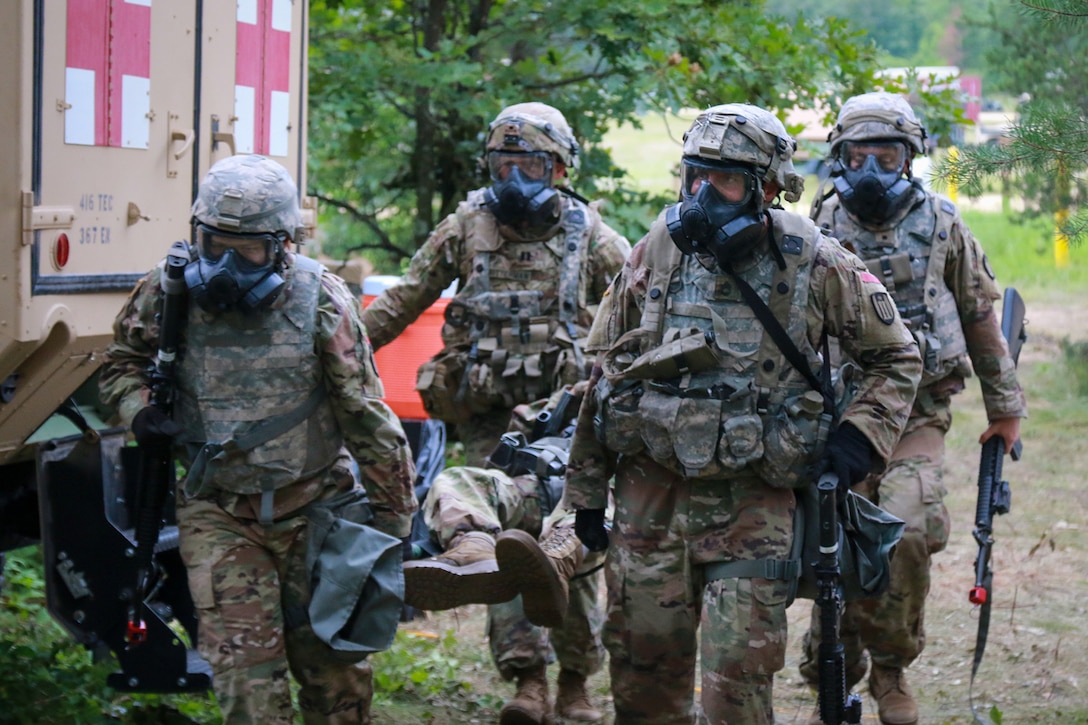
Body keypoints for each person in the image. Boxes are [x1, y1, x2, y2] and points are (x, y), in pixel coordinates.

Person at [563, 103, 923, 725]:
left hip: (754, 504)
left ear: (766, 189)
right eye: (696, 176)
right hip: (650, 500)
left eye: (725, 181)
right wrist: (588, 492)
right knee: (644, 680)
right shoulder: (656, 248)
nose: (704, 197)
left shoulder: (811, 257)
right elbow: (603, 371)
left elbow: (896, 357)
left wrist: (855, 442)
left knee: (737, 684)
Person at [99, 154, 418, 724]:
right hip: (218, 511)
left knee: (334, 678)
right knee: (247, 690)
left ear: (282, 244)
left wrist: (393, 535)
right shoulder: (169, 289)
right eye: (213, 243)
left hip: (315, 510)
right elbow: (121, 363)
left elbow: (370, 423)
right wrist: (138, 412)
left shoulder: (321, 300)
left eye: (244, 249)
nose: (223, 264)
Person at [800, 91, 1027, 725]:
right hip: (835, 421)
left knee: (904, 530)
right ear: (838, 158)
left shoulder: (943, 224)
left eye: (888, 155)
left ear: (912, 157)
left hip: (916, 417)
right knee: (833, 544)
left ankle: (892, 670)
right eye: (858, 155)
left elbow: (982, 316)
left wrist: (1005, 407)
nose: (872, 170)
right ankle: (833, 663)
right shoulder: (815, 229)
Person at [361, 102, 630, 465]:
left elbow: (635, 315)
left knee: (557, 506)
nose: (514, 178)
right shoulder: (466, 227)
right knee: (482, 499)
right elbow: (402, 301)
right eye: (503, 164)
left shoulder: (592, 237)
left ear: (560, 169)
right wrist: (337, 352)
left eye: (530, 165)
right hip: (485, 405)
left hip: (563, 409)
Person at [403, 383, 607, 725]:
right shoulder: (570, 398)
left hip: (596, 504)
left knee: (567, 572)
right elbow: (516, 437)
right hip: (538, 487)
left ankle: (574, 684)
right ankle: (473, 546)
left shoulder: (637, 400)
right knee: (460, 481)